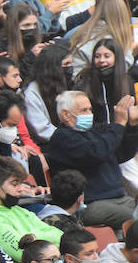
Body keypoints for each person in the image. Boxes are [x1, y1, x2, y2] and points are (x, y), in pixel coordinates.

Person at [46, 90, 138, 230]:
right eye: (83, 110)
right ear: (65, 114)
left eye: (90, 109)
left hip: (120, 198)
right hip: (90, 204)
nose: (89, 114)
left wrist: (132, 125)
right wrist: (119, 123)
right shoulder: (62, 138)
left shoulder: (95, 130)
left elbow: (122, 153)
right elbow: (97, 153)